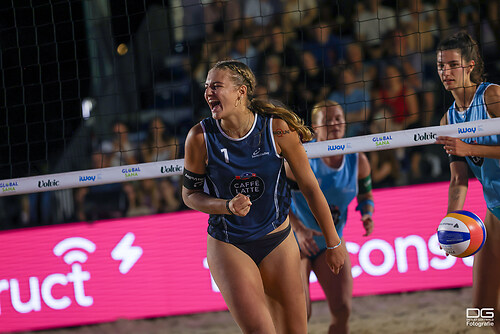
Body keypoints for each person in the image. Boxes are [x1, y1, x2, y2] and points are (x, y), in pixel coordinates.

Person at [182, 60, 347, 333]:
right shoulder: (199, 137)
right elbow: (190, 195)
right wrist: (226, 206)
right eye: (207, 87)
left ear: (241, 92)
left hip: (277, 240)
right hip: (229, 244)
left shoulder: (277, 129)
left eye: (216, 86)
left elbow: (310, 187)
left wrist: (333, 242)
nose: (208, 92)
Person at [285, 100, 374, 334]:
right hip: (296, 243)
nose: (335, 124)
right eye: (328, 120)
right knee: (300, 315)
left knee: (343, 310)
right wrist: (299, 229)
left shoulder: (358, 160)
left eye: (338, 118)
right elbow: (276, 200)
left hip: (332, 241)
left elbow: (366, 195)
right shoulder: (301, 158)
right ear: (315, 126)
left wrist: (367, 213)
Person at [435, 31, 500, 333]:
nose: (445, 72)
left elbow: (468, 151)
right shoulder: (448, 120)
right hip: (495, 211)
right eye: (440, 66)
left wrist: (470, 147)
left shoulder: (492, 97)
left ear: (470, 66)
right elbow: (459, 179)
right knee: (480, 311)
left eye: (452, 65)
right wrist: (450, 220)